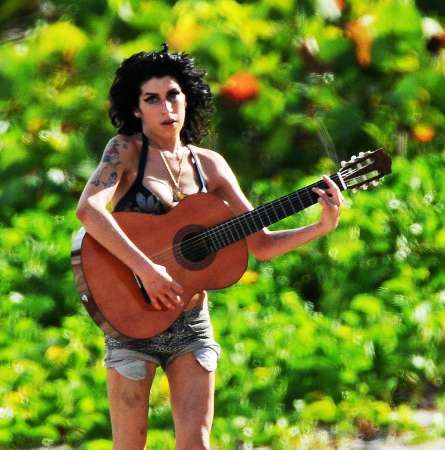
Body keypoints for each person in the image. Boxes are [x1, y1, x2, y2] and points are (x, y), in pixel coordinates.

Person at [75, 43, 343, 450]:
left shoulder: (210, 165)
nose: (166, 107)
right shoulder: (124, 151)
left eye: (173, 95)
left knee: (197, 443)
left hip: (191, 323)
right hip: (131, 317)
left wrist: (319, 227)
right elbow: (89, 211)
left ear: (188, 99)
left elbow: (260, 244)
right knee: (130, 443)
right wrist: (147, 269)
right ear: (136, 109)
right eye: (152, 99)